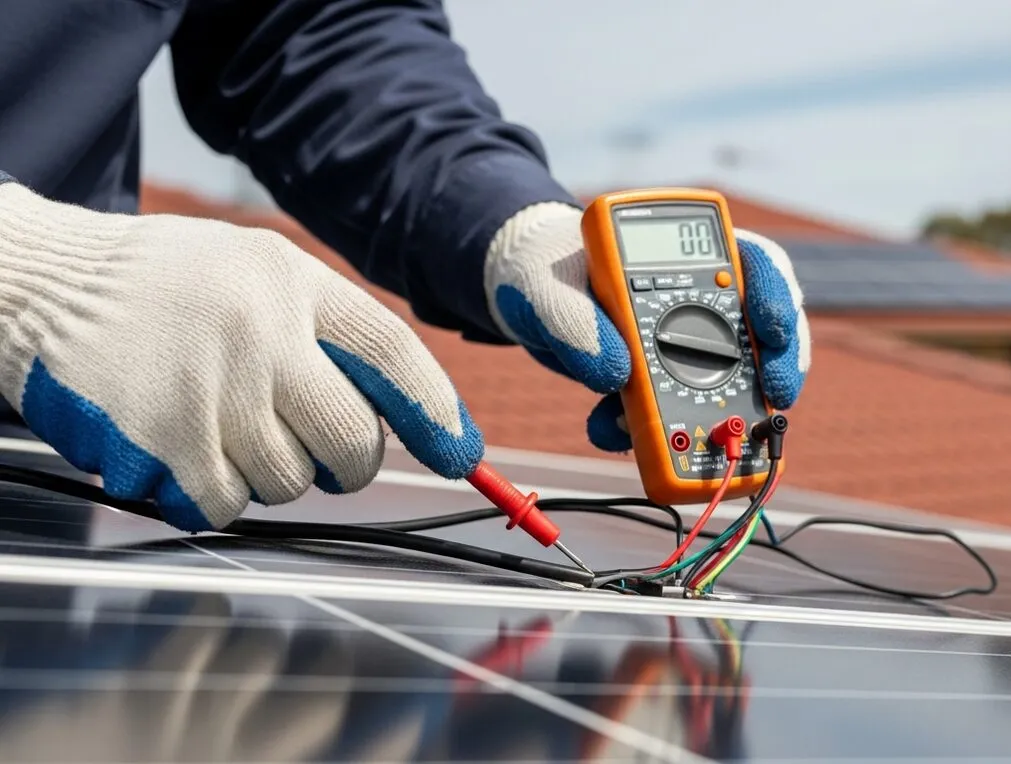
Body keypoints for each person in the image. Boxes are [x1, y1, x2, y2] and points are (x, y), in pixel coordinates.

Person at [0, 1, 810, 532]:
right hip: (75, 349)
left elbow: (313, 29)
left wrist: (506, 219)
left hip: (58, 449)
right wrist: (35, 273)